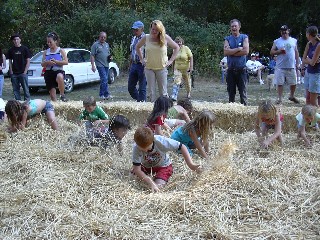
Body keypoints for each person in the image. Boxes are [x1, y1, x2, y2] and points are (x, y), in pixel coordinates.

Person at [131, 126, 201, 192]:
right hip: (146, 166)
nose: (145, 151)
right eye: (141, 148)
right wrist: (150, 182)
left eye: (147, 148)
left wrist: (191, 165)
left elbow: (182, 146)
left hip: (163, 166)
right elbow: (137, 170)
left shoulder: (161, 141)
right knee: (133, 177)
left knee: (159, 187)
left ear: (152, 141)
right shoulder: (136, 147)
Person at [135, 20, 180, 102]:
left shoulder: (165, 38)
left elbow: (176, 47)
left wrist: (171, 61)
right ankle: (153, 111)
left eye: (156, 29)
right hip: (149, 68)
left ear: (160, 30)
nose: (154, 31)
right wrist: (141, 59)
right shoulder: (146, 37)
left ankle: (165, 111)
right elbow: (137, 47)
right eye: (152, 29)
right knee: (151, 93)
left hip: (161, 68)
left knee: (163, 93)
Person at [270, 25, 300, 105]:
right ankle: (279, 99)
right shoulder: (277, 41)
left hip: (291, 65)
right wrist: (279, 51)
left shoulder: (294, 40)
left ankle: (292, 96)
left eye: (285, 30)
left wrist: (298, 63)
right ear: (280, 32)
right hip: (280, 66)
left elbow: (296, 52)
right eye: (282, 31)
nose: (284, 32)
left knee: (294, 82)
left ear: (288, 31)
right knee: (280, 83)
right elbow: (272, 52)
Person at [223, 19, 249, 106]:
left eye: (235, 26)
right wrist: (238, 49)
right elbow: (226, 52)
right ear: (230, 28)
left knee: (243, 93)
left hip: (241, 70)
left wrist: (231, 51)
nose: (234, 28)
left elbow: (245, 51)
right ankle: (231, 110)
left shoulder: (244, 37)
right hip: (230, 70)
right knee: (231, 93)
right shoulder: (227, 39)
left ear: (239, 27)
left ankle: (245, 110)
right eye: (232, 26)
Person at [41, 32, 68, 102]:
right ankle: (55, 106)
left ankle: (62, 95)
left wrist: (56, 62)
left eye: (50, 42)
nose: (49, 44)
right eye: (48, 42)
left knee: (59, 76)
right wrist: (47, 62)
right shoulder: (45, 52)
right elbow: (42, 64)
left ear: (55, 41)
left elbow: (66, 62)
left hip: (58, 70)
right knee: (53, 98)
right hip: (48, 73)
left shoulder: (60, 50)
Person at [7, 33, 32, 101]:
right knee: (15, 90)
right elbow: (9, 61)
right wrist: (11, 71)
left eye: (17, 39)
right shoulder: (11, 50)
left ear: (20, 40)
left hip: (23, 72)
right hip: (14, 73)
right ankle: (18, 103)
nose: (16, 41)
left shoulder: (24, 49)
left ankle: (27, 103)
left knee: (26, 89)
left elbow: (28, 60)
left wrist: (25, 71)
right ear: (13, 41)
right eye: (14, 39)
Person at [301, 26, 320, 107]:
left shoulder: (319, 45)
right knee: (308, 99)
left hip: (316, 74)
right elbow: (303, 59)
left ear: (309, 34)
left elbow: (312, 63)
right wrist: (309, 60)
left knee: (313, 102)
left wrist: (308, 60)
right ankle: (308, 117)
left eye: (306, 33)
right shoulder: (309, 44)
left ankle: (317, 118)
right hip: (308, 72)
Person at [128, 21, 147, 102]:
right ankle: (139, 101)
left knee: (142, 87)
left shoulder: (146, 38)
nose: (134, 31)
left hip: (142, 65)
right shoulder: (134, 38)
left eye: (136, 30)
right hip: (134, 64)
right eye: (134, 29)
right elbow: (132, 52)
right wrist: (130, 64)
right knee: (130, 87)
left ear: (142, 29)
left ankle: (142, 104)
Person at [90, 32, 112, 101]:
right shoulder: (95, 45)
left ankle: (106, 94)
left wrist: (110, 58)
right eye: (102, 37)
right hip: (100, 65)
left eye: (104, 37)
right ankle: (102, 94)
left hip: (106, 64)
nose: (103, 38)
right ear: (99, 37)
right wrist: (93, 65)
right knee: (104, 79)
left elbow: (108, 54)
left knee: (105, 80)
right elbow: (92, 55)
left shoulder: (106, 45)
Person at [170, 36, 193, 101]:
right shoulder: (174, 49)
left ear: (182, 42)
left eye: (179, 42)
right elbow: (173, 59)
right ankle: (174, 95)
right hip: (177, 68)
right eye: (177, 42)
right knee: (176, 81)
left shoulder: (186, 48)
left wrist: (191, 67)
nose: (178, 43)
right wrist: (172, 68)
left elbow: (191, 57)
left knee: (187, 82)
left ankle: (188, 93)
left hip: (186, 68)